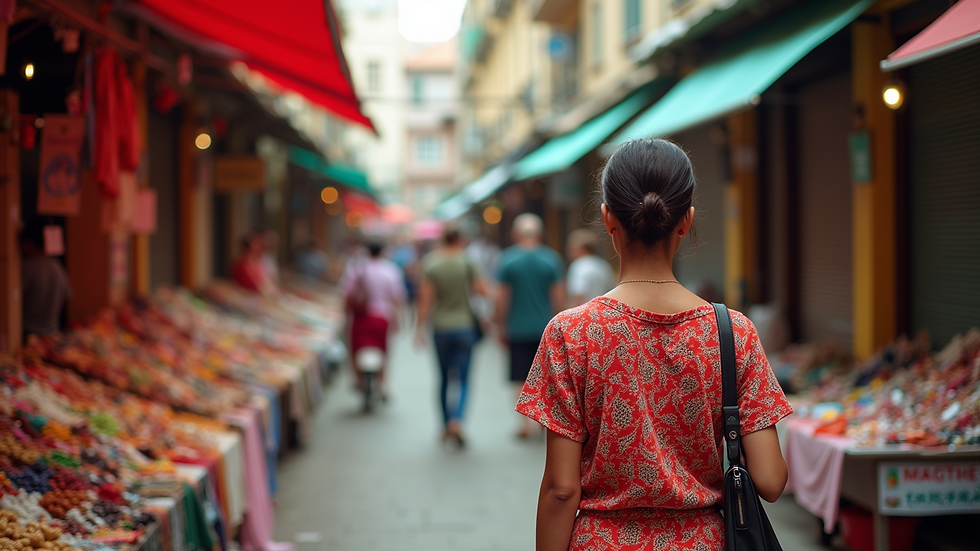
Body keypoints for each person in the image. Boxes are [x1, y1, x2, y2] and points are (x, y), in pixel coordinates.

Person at [515, 139, 792, 551]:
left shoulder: (570, 333)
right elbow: (770, 480)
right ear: (687, 220)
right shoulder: (732, 332)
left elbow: (560, 489)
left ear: (609, 219)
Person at [414, 227, 487, 447]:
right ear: (460, 239)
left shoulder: (431, 263)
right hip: (465, 326)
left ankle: (445, 424)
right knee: (464, 379)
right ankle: (457, 420)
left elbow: (425, 300)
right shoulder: (467, 262)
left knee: (444, 379)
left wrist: (418, 328)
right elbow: (481, 291)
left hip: (441, 328)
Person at [495, 213, 564, 439]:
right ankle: (544, 423)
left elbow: (503, 298)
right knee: (546, 378)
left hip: (518, 329)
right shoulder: (551, 260)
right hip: (546, 329)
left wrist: (499, 323)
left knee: (520, 377)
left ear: (516, 234)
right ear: (540, 234)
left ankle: (525, 424)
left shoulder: (507, 260)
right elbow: (558, 297)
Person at [340, 242, 406, 398]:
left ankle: (358, 380)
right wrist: (398, 319)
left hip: (360, 317)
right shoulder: (390, 270)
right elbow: (397, 298)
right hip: (382, 317)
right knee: (383, 351)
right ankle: (382, 385)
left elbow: (346, 295)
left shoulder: (355, 269)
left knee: (356, 349)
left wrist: (344, 315)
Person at [20, 222, 72, 340]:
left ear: (28, 242)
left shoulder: (26, 268)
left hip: (28, 333)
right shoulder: (57, 266)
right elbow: (65, 297)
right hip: (53, 333)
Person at [565, 228, 613, 308]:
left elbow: (579, 294)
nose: (569, 251)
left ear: (582, 248)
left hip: (585, 313)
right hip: (602, 311)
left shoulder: (579, 265)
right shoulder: (603, 265)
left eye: (572, 248)